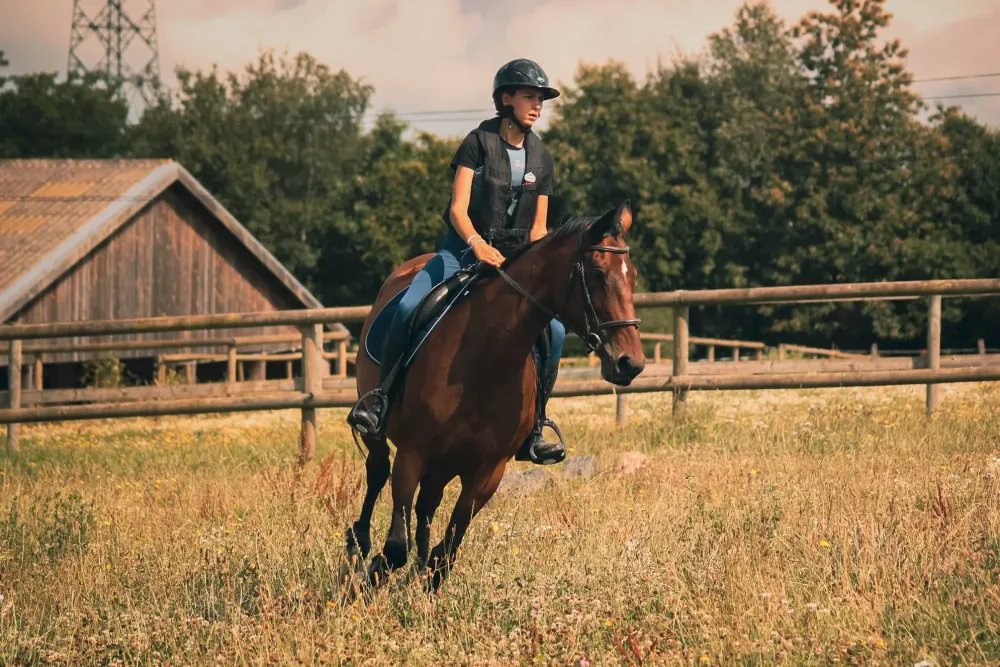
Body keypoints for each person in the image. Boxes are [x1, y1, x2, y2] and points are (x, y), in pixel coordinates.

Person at [348, 58, 568, 466]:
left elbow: (538, 229)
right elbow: (457, 209)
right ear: (507, 99)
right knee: (411, 305)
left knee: (554, 331)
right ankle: (380, 400)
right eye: (529, 97)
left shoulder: (543, 157)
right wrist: (478, 245)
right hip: (461, 250)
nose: (537, 105)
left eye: (541, 99)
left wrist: (541, 266)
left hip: (514, 264)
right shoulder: (476, 142)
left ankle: (535, 427)